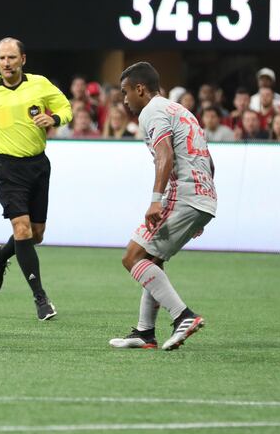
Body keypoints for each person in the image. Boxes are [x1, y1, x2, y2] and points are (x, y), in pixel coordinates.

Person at [0, 37, 72, 320]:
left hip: (38, 165)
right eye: (2, 58)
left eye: (11, 58)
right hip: (6, 167)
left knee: (36, 234)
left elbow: (66, 109)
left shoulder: (40, 84)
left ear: (23, 59)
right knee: (22, 229)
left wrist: (54, 119)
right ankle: (41, 298)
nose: (6, 63)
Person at [110, 61, 216, 351]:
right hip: (201, 196)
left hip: (182, 194)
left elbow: (164, 155)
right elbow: (210, 162)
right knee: (152, 260)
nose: (124, 99)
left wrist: (156, 200)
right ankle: (145, 332)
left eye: (125, 92)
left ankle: (183, 316)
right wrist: (199, 210)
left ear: (140, 89)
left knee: (133, 257)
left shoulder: (152, 111)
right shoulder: (180, 110)